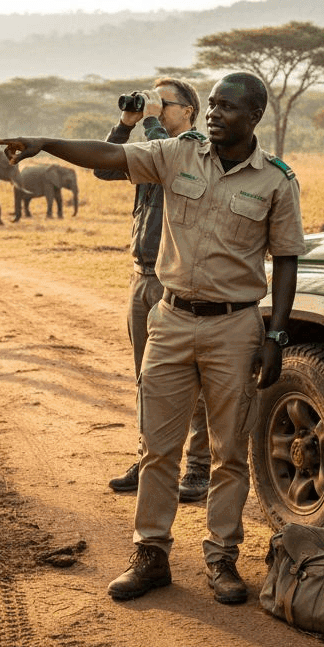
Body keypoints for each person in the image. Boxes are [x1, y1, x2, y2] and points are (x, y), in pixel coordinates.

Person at [0, 71, 304, 605]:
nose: (214, 114)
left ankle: (222, 558)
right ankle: (151, 553)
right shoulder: (177, 154)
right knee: (157, 448)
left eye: (227, 107)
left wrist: (275, 336)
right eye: (211, 105)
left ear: (254, 117)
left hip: (235, 326)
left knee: (229, 452)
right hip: (171, 318)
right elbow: (108, 159)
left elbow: (287, 262)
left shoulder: (276, 181)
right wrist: (46, 142)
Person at [94, 77, 211, 503]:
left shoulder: (198, 149)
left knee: (193, 378)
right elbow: (105, 167)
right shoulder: (150, 145)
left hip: (178, 280)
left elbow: (168, 163)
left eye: (165, 104)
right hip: (142, 276)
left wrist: (150, 123)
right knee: (147, 377)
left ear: (189, 112)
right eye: (153, 103)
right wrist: (126, 123)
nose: (156, 109)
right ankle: (150, 461)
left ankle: (198, 469)